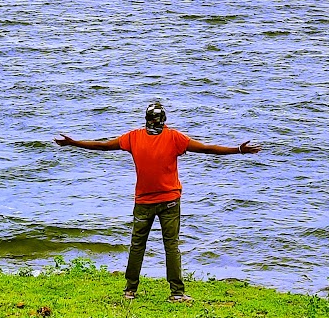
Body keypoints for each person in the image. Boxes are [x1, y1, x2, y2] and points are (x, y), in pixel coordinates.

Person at [55, 100, 261, 302]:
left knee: (137, 245)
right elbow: (207, 149)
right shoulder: (174, 137)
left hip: (143, 202)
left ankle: (130, 291)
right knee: (171, 246)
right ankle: (176, 293)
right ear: (164, 120)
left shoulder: (133, 137)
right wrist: (238, 150)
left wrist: (74, 143)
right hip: (170, 200)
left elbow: (103, 146)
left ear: (146, 119)